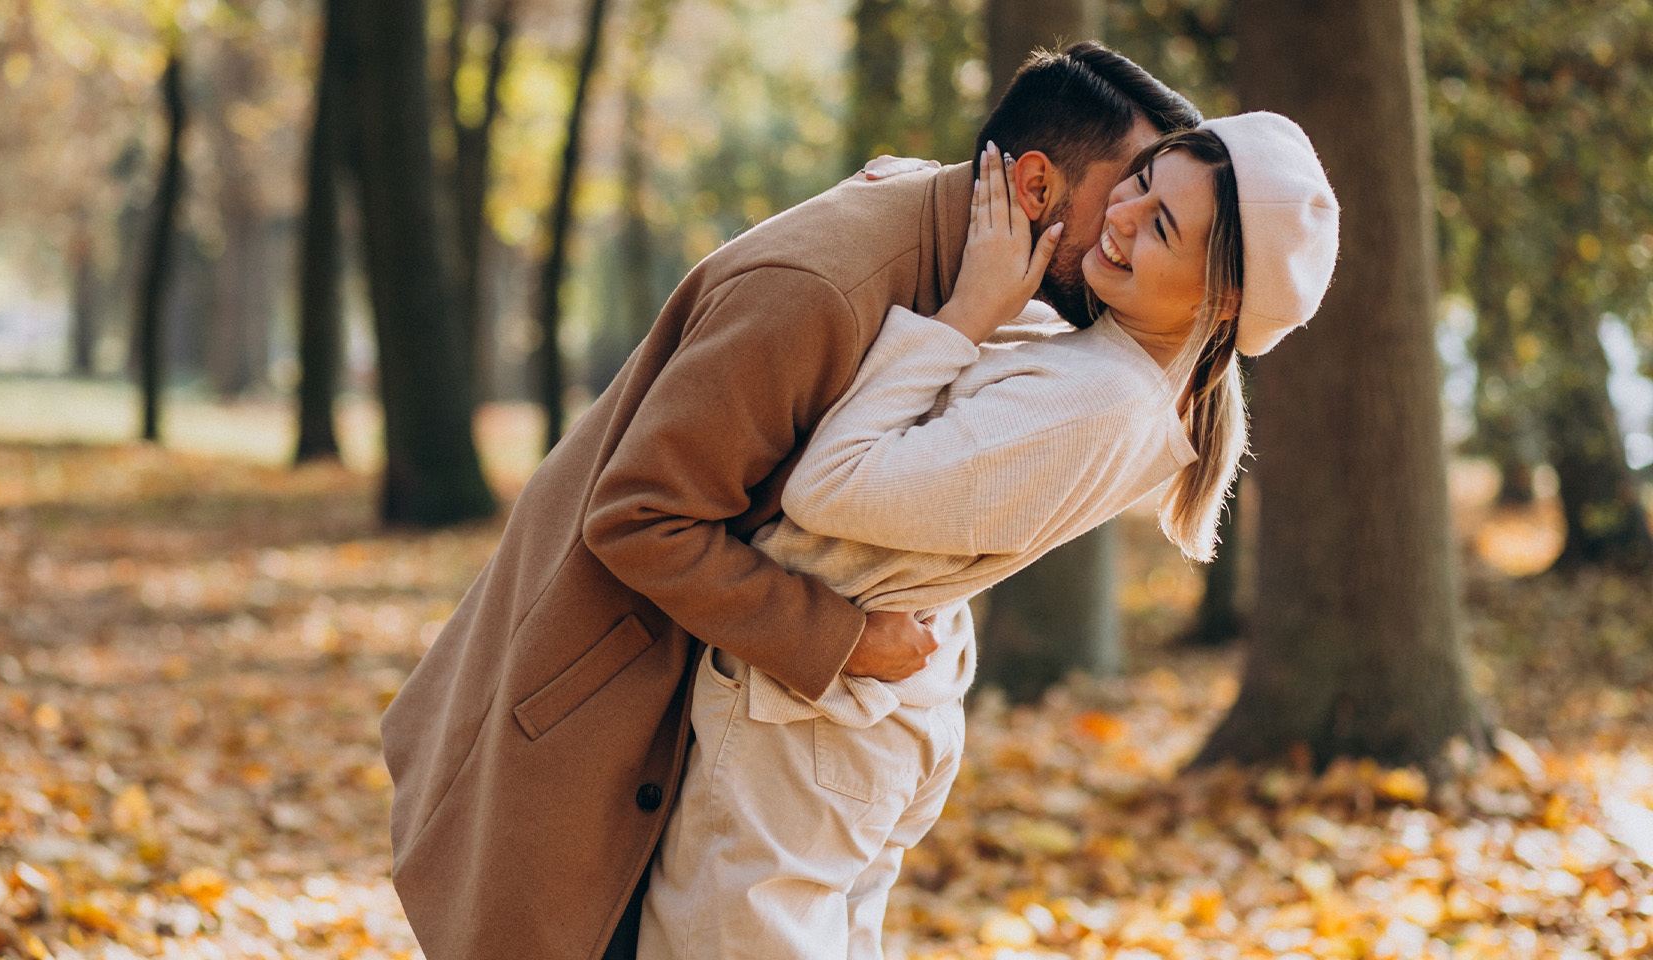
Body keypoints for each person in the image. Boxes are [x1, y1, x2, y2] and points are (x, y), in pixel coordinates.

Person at [379, 42, 1199, 960]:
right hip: (588, 720)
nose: (1130, 223)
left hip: (690, 713)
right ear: (1037, 186)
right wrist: (843, 638)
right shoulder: (820, 293)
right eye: (1128, 190)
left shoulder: (966, 262)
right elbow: (640, 516)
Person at [634, 111, 1339, 959]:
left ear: (1223, 297)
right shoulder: (1099, 361)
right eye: (1142, 181)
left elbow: (832, 486)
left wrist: (967, 310)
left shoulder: (1098, 400)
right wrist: (907, 198)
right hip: (850, 716)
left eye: (1160, 227)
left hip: (808, 724)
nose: (1119, 216)